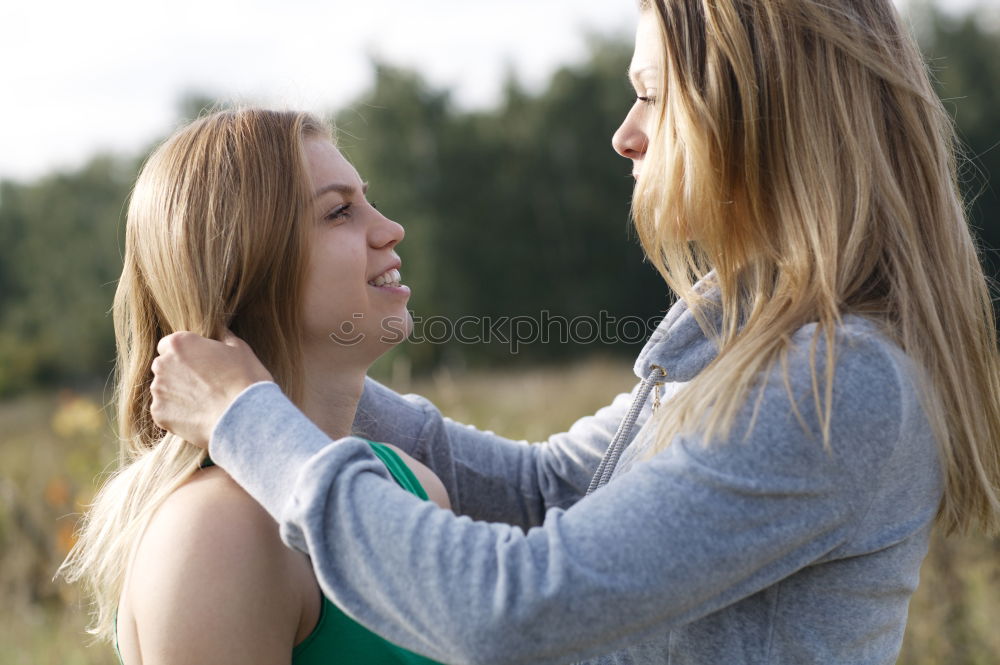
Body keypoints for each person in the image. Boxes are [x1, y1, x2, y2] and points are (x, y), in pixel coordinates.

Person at [148, 1, 1000, 664]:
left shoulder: (837, 381)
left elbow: (511, 609)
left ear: (761, 117)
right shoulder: (753, 340)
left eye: (650, 95)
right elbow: (547, 493)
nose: (625, 135)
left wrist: (253, 421)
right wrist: (294, 383)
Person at [58, 108, 452, 665]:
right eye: (339, 212)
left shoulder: (412, 484)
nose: (390, 229)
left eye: (366, 201)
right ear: (243, 267)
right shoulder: (217, 530)